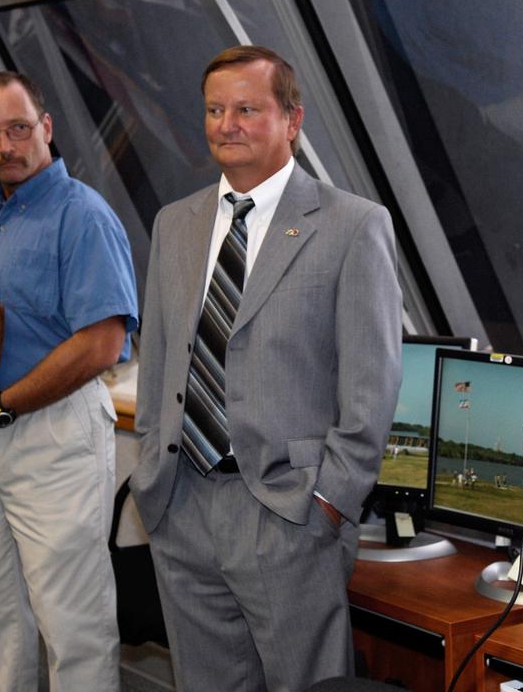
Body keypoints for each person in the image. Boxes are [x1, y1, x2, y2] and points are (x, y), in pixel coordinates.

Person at [131, 45, 402, 690]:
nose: (227, 124)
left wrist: (329, 501)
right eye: (215, 110)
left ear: (292, 119)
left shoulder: (352, 225)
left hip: (287, 511)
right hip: (182, 502)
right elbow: (160, 362)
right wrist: (150, 470)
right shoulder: (175, 224)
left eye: (247, 109)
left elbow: (373, 383)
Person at [0, 71, 138, 692]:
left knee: (71, 620)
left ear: (46, 128)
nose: (5, 145)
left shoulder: (84, 216)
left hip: (52, 432)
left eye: (18, 128)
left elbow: (101, 342)